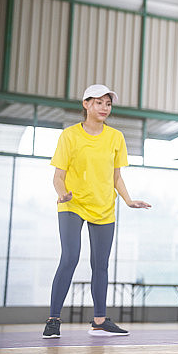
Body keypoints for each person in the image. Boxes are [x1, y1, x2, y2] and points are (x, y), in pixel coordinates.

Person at [42, 84, 151, 339]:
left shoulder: (116, 137)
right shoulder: (69, 136)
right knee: (70, 257)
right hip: (72, 203)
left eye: (108, 104)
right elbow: (58, 176)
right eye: (99, 102)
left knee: (100, 265)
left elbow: (116, 177)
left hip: (104, 206)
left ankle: (99, 321)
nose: (104, 108)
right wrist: (62, 194)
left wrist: (128, 200)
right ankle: (53, 320)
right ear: (86, 104)